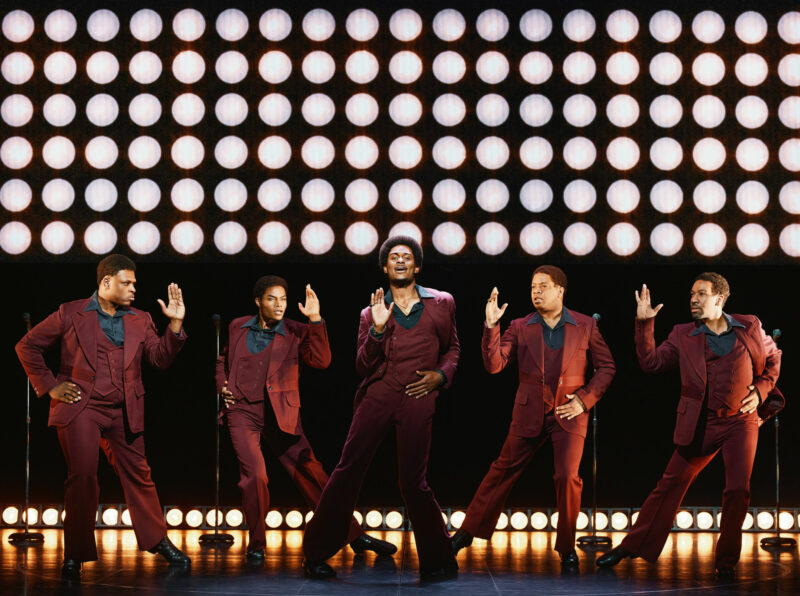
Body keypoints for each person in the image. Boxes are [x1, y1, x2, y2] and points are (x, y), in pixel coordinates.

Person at [15, 254, 190, 578]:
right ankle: (76, 553)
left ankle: (157, 540)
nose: (133, 288)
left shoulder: (140, 318)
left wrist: (175, 326)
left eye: (135, 283)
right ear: (106, 283)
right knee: (82, 475)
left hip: (125, 408)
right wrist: (50, 386)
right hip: (82, 406)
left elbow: (159, 359)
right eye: (127, 283)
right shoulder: (71, 312)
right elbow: (27, 346)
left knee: (140, 474)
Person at [597, 273, 781, 578]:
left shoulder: (749, 325)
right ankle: (632, 545)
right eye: (691, 294)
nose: (693, 299)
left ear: (720, 299)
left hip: (741, 421)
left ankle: (726, 561)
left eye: (701, 294)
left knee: (737, 489)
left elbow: (774, 358)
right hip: (701, 423)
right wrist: (644, 325)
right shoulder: (684, 334)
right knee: (669, 484)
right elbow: (652, 362)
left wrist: (760, 390)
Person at [302, 236, 459, 581]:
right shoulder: (368, 312)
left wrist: (441, 375)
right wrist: (376, 329)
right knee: (347, 471)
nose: (400, 261)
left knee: (413, 482)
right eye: (393, 257)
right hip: (379, 394)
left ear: (416, 266)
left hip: (419, 394)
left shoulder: (441, 303)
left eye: (406, 257)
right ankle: (315, 553)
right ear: (385, 267)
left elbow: (453, 350)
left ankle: (439, 557)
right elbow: (361, 365)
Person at [215, 276, 396, 561]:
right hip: (242, 411)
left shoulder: (296, 330)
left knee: (313, 474)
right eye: (272, 299)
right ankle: (257, 543)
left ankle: (353, 535)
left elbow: (321, 361)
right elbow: (222, 361)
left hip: (282, 412)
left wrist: (315, 320)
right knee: (256, 476)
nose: (279, 305)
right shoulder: (237, 326)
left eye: (283, 299)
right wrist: (222, 386)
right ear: (258, 301)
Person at [451, 266, 615, 568]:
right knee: (501, 470)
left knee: (567, 477)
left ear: (560, 291)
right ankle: (466, 532)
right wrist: (491, 327)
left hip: (569, 412)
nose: (536, 292)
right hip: (529, 410)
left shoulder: (584, 325)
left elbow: (606, 367)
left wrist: (584, 400)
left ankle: (567, 546)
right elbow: (495, 365)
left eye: (543, 286)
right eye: (532, 287)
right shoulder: (520, 325)